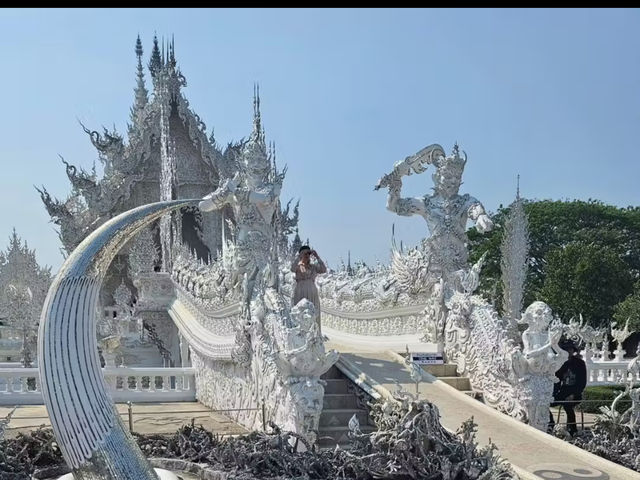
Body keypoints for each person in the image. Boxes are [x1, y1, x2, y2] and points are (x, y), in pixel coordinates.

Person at [548, 342, 587, 436]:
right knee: (545, 402)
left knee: (568, 406)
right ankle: (551, 423)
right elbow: (557, 380)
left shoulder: (580, 363)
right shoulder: (561, 363)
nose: (568, 351)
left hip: (575, 393)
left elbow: (582, 382)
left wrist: (573, 394)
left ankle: (572, 430)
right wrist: (552, 394)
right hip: (563, 392)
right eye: (566, 349)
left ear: (573, 350)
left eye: (570, 349)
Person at [291, 246, 327, 330]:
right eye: (305, 253)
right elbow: (292, 269)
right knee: (300, 312)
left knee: (313, 312)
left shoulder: (313, 267)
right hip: (300, 291)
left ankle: (314, 335)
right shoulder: (298, 266)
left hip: (312, 291)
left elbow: (323, 269)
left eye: (308, 253)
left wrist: (317, 257)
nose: (307, 255)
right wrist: (299, 258)